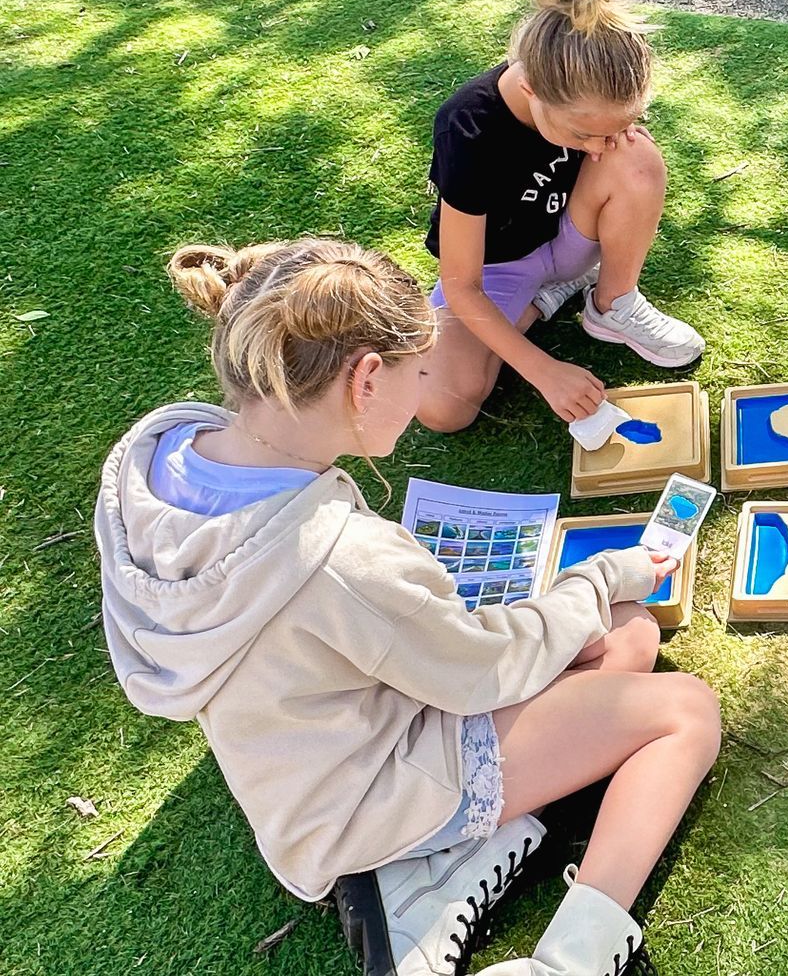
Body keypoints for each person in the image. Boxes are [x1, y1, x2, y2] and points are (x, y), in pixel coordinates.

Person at [97, 239, 721, 976]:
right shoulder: (339, 560)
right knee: (683, 708)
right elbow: (483, 670)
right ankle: (572, 959)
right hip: (366, 795)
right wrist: (599, 576)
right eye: (418, 371)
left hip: (299, 761)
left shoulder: (153, 450)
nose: (427, 387)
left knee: (629, 637)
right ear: (365, 379)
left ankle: (442, 869)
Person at [416, 0, 703, 435]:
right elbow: (463, 285)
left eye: (620, 124)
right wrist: (542, 370)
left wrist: (617, 136)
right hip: (499, 269)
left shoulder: (602, 100)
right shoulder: (467, 126)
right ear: (531, 89)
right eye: (583, 133)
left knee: (638, 160)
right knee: (443, 408)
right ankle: (545, 299)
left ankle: (611, 303)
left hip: (571, 239)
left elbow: (616, 153)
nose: (598, 148)